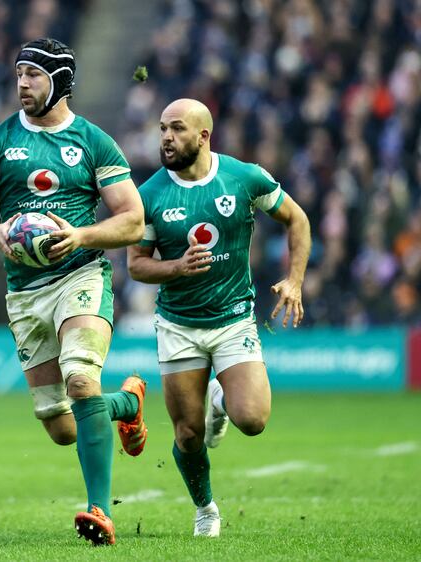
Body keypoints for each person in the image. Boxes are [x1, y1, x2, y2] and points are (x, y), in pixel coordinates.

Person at [0, 38, 147, 546]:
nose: (21, 83)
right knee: (61, 426)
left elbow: (131, 221)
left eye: (33, 74)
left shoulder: (94, 142)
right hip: (25, 292)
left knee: (80, 381)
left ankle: (100, 511)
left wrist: (80, 236)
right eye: (18, 73)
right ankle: (125, 405)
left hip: (81, 275)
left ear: (60, 81)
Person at [127, 98, 311, 537]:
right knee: (188, 435)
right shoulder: (148, 195)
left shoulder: (243, 177)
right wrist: (175, 267)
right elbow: (136, 264)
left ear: (204, 136)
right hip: (178, 324)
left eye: (176, 129)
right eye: (162, 129)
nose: (166, 138)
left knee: (252, 419)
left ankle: (220, 399)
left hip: (232, 319)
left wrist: (295, 281)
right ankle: (205, 509)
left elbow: (297, 219)